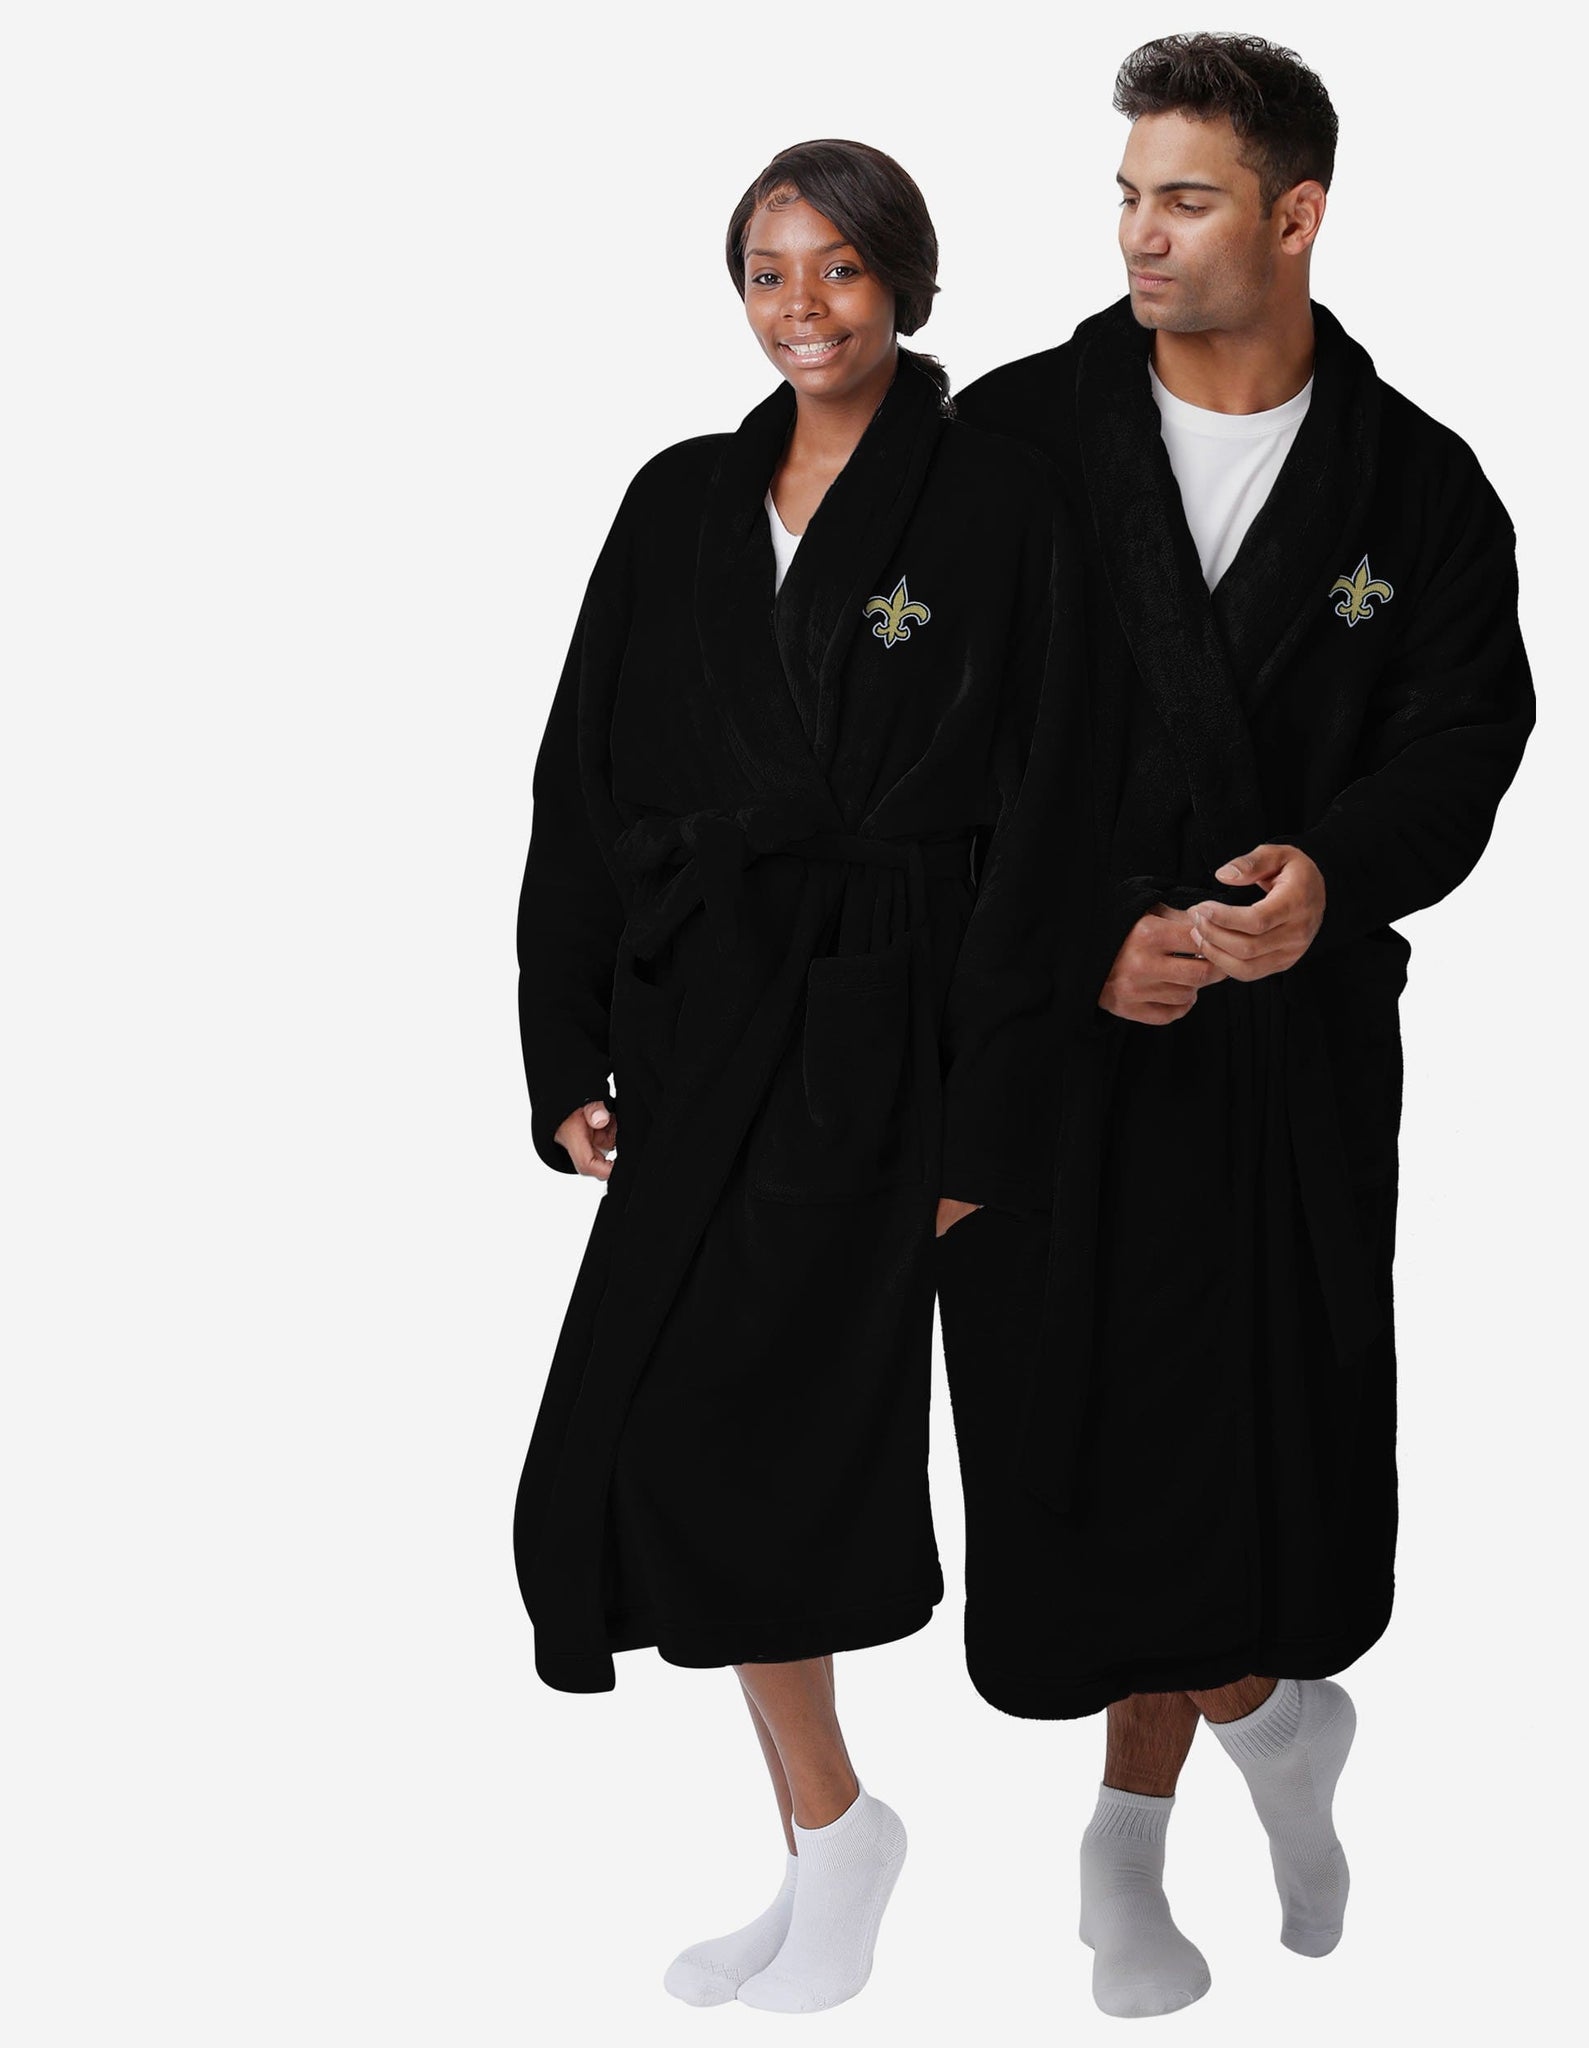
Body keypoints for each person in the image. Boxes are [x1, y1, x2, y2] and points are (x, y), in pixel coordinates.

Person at [936, 34, 1536, 2016]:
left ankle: (1127, 1846)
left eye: (1185, 200)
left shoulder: (1416, 484)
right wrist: (1082, 932)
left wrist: (1333, 874)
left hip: (1287, 1063)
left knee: (1246, 1451)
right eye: (1127, 195)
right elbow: (913, 753)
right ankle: (1263, 1736)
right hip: (1046, 1049)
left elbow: (1467, 734)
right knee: (1074, 1439)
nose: (1140, 235)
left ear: (1296, 214)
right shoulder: (1006, 447)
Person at [512, 137, 1092, 2015]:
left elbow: (1050, 822)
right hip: (701, 1025)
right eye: (769, 272)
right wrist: (565, 1039)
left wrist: (986, 1112)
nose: (803, 309)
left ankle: (842, 1843)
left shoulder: (997, 502)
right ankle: (826, 1843)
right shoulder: (681, 496)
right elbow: (581, 777)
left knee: (766, 1453)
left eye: (838, 269)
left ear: (904, 281)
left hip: (887, 1034)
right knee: (668, 1439)